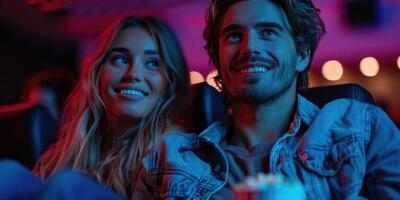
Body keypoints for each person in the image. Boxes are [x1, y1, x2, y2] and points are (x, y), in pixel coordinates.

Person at [132, 0, 400, 199]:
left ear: (301, 55)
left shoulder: (360, 128)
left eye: (268, 32)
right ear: (217, 59)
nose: (250, 47)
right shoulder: (168, 160)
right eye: (234, 35)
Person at [0, 15, 189, 199]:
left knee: (68, 185)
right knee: (8, 173)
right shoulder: (78, 143)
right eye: (121, 60)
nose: (133, 74)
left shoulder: (173, 149)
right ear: (99, 73)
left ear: (170, 82)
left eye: (152, 63)